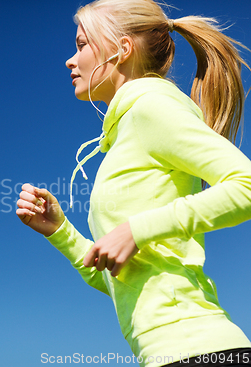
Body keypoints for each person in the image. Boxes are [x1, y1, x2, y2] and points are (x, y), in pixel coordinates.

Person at [16, 0, 251, 366]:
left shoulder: (151, 109)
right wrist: (59, 231)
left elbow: (246, 185)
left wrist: (137, 230)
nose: (70, 60)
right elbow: (118, 278)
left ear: (122, 50)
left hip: (199, 349)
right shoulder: (127, 130)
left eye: (82, 44)